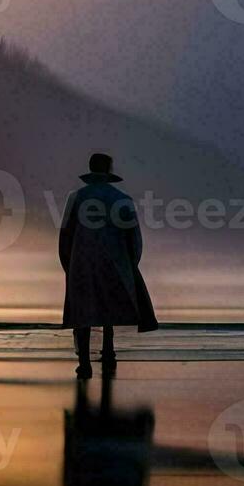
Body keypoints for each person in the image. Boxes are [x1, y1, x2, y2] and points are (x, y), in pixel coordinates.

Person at [59, 153, 158, 378]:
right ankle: (108, 351)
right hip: (115, 259)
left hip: (81, 260)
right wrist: (132, 261)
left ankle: (84, 362)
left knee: (82, 309)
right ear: (109, 170)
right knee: (109, 306)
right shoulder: (121, 199)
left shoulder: (75, 198)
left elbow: (65, 234)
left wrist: (67, 262)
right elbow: (133, 235)